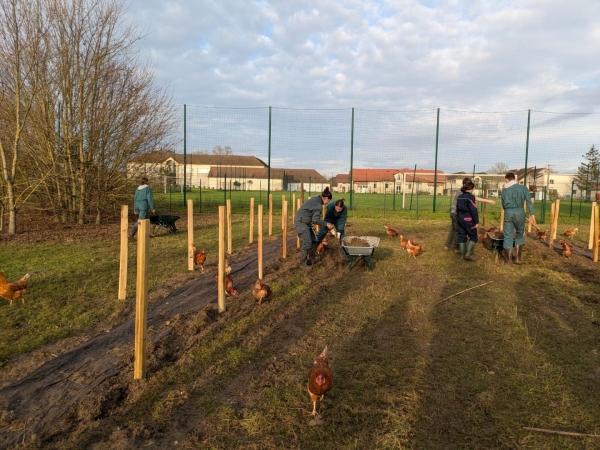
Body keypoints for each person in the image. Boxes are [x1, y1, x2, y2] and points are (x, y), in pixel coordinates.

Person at [445, 177, 495, 253]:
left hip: (454, 212)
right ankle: (457, 247)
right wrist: (487, 200)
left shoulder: (461, 191)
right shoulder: (462, 192)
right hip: (457, 213)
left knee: (454, 229)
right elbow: (473, 198)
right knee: (457, 230)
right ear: (465, 184)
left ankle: (447, 245)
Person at [294, 187, 334, 270]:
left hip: (306, 221)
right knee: (307, 243)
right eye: (328, 201)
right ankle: (302, 263)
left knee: (315, 240)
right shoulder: (318, 205)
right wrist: (326, 224)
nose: (327, 203)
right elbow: (315, 220)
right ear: (326, 198)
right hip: (301, 222)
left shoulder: (317, 199)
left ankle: (311, 256)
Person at [500, 172, 535, 264]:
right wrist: (532, 215)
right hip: (520, 212)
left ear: (506, 179)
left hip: (508, 212)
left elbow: (503, 204)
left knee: (508, 235)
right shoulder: (523, 188)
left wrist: (508, 210)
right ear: (515, 179)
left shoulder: (504, 190)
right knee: (519, 234)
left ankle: (507, 260)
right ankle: (518, 258)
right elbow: (529, 202)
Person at [456, 181, 479, 261]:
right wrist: (476, 221)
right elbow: (473, 210)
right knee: (473, 236)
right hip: (469, 219)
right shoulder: (471, 197)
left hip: (460, 218)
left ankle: (462, 255)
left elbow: (457, 209)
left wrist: (459, 218)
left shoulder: (460, 197)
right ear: (472, 189)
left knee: (462, 235)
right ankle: (468, 254)